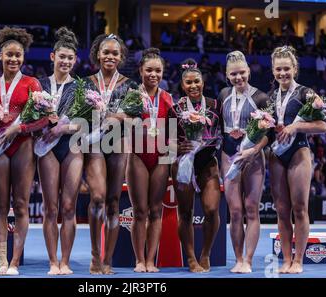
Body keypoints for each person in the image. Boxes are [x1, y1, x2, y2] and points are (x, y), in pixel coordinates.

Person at [0, 27, 47, 276]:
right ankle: (2, 261)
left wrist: (19, 127)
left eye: (18, 55)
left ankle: (15, 262)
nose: (13, 59)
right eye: (9, 55)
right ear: (0, 55)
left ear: (23, 57)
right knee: (0, 206)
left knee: (21, 205)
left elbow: (43, 120)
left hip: (23, 146)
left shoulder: (32, 83)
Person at [269, 46, 326, 273]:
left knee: (300, 208)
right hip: (276, 156)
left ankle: (299, 260)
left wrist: (296, 126)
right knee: (282, 209)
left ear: (294, 69)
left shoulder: (306, 93)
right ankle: (286, 259)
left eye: (287, 68)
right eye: (278, 69)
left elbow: (322, 126)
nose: (283, 73)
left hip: (299, 152)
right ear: (273, 71)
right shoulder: (272, 96)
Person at [83, 33, 138, 274]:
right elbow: (78, 113)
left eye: (115, 53)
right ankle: (95, 256)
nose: (110, 56)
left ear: (121, 57)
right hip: (94, 144)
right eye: (106, 52)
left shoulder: (130, 84)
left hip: (118, 144)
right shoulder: (84, 83)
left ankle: (108, 260)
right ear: (97, 54)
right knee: (97, 197)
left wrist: (115, 116)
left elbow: (136, 115)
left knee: (114, 203)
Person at [169, 58, 222, 272]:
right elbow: (167, 139)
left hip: (207, 163)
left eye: (196, 82)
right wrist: (176, 147)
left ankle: (206, 254)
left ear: (203, 82)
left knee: (211, 209)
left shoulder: (215, 105)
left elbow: (223, 133)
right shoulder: (175, 109)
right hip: (182, 164)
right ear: (183, 85)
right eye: (188, 83)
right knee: (185, 212)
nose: (193, 86)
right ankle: (191, 259)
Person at [218, 51, 270, 273]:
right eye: (233, 74)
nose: (238, 78)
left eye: (242, 73)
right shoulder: (222, 95)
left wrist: (255, 150)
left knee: (251, 208)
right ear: (227, 75)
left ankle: (248, 260)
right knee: (235, 210)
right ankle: (238, 258)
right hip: (228, 155)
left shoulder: (261, 98)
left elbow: (270, 133)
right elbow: (219, 128)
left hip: (254, 157)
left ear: (248, 71)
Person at [37, 27, 83, 275]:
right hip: (46, 147)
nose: (66, 61)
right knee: (51, 207)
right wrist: (45, 124)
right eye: (62, 56)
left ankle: (65, 261)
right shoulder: (39, 85)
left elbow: (88, 123)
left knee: (68, 207)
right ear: (52, 57)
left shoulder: (81, 87)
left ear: (75, 60)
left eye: (70, 58)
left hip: (72, 146)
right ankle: (52, 261)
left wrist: (64, 128)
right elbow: (31, 118)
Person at [126, 48, 173, 273]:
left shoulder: (168, 97)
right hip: (137, 155)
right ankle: (139, 260)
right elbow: (123, 126)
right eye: (149, 70)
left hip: (161, 157)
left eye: (158, 70)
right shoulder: (133, 95)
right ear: (140, 71)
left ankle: (151, 260)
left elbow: (174, 132)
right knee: (140, 211)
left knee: (156, 210)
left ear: (163, 72)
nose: (153, 74)